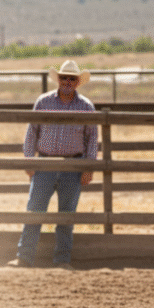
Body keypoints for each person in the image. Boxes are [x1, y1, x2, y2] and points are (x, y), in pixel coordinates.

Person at [8, 60, 99, 270]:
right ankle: (24, 258)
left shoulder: (86, 107)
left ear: (77, 82)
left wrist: (88, 167)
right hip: (45, 162)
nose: (67, 81)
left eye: (72, 78)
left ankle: (62, 260)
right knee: (34, 211)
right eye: (64, 77)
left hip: (73, 164)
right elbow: (32, 132)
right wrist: (29, 159)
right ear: (58, 79)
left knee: (65, 215)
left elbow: (92, 140)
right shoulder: (43, 101)